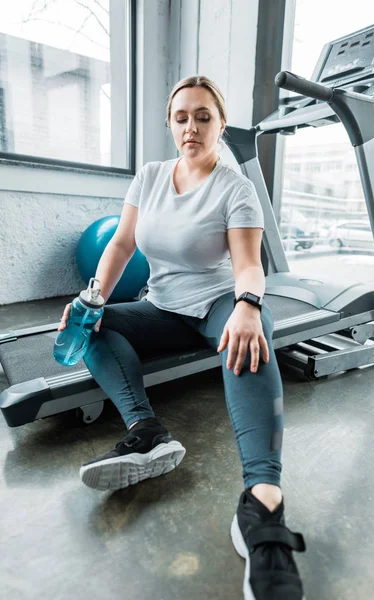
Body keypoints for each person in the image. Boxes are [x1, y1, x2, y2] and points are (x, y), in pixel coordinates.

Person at [59, 75, 306, 599]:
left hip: (217, 302)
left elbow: (247, 265)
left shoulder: (235, 188)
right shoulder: (149, 177)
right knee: (91, 327)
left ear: (219, 123)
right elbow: (122, 244)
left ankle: (262, 505)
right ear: (170, 123)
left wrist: (247, 306)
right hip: (161, 305)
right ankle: (148, 433)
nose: (190, 126)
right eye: (181, 117)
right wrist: (94, 296)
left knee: (251, 335)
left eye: (203, 116)